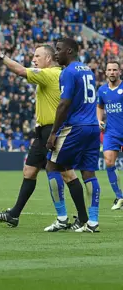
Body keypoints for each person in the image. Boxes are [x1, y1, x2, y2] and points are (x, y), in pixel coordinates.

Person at [0, 41, 65, 228]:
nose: (34, 59)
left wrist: (1, 55)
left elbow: (21, 71)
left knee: (67, 174)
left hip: (53, 131)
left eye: (37, 56)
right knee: (29, 172)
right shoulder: (49, 75)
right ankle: (14, 215)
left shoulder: (50, 74)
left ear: (48, 57)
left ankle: (76, 217)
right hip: (41, 133)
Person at [45, 38, 101, 233]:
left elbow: (64, 104)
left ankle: (61, 217)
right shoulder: (88, 70)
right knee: (88, 172)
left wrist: (53, 133)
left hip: (76, 127)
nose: (55, 54)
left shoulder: (67, 72)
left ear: (69, 51)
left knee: (51, 165)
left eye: (58, 50)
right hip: (93, 126)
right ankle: (92, 222)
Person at [96, 61, 123, 210]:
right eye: (109, 70)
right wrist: (99, 120)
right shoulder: (102, 90)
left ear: (119, 72)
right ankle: (120, 197)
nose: (112, 72)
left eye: (115, 70)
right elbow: (100, 106)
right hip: (111, 132)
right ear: (105, 72)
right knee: (109, 162)